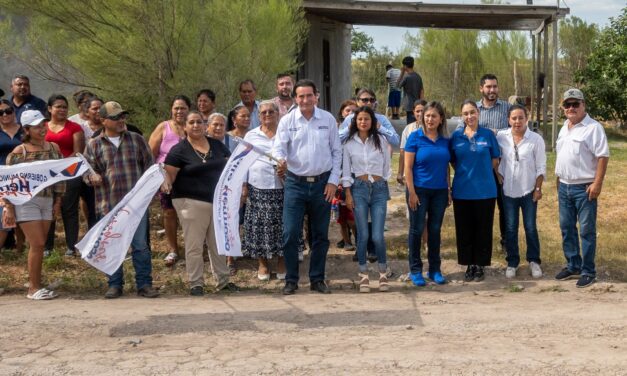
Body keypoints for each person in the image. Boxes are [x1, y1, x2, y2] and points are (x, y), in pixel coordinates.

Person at [272, 79, 342, 295]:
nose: (305, 100)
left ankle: (317, 279)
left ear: (316, 96)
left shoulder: (328, 119)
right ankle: (291, 280)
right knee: (291, 233)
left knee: (320, 235)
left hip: (322, 185)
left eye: (309, 95)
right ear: (295, 98)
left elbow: (337, 152)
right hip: (295, 184)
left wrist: (332, 181)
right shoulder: (287, 121)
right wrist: (279, 160)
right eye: (300, 96)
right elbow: (278, 149)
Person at [83, 101, 158, 299]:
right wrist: (92, 178)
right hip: (108, 204)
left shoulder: (136, 139)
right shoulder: (93, 144)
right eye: (116, 117)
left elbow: (150, 167)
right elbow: (86, 173)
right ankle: (115, 284)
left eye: (122, 116)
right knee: (111, 245)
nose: (121, 120)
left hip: (136, 206)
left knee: (140, 245)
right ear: (103, 120)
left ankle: (145, 284)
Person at [163, 111, 238, 295]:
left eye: (199, 122)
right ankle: (196, 283)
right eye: (192, 122)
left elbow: (231, 168)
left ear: (205, 126)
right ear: (185, 126)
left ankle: (223, 281)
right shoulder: (178, 150)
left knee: (217, 243)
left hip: (218, 203)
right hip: (190, 202)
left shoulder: (217, 146)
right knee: (194, 245)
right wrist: (165, 184)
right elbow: (168, 176)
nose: (196, 125)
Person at [3, 110, 64, 300]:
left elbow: (60, 177)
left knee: (39, 245)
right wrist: (9, 206)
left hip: (47, 201)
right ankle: (33, 289)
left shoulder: (53, 148)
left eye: (42, 125)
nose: (42, 129)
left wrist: (57, 201)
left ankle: (35, 283)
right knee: (37, 243)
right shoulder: (18, 153)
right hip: (26, 202)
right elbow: (7, 182)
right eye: (37, 126)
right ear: (27, 129)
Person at [554, 89, 609, 288]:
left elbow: (603, 156)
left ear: (583, 105)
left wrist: (597, 184)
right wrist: (559, 179)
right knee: (567, 228)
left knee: (586, 231)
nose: (571, 108)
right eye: (567, 105)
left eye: (575, 104)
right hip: (565, 187)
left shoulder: (593, 128)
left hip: (584, 188)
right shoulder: (564, 127)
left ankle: (588, 271)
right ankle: (573, 265)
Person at [449, 100, 500, 282]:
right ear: (461, 116)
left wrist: (482, 171)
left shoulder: (488, 135)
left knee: (483, 229)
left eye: (472, 112)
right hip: (462, 190)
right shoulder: (456, 137)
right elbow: (453, 160)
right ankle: (469, 263)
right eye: (465, 113)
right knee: (464, 229)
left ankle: (480, 264)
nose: (469, 116)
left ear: (478, 112)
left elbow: (495, 158)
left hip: (485, 190)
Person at [342, 106, 391, 293]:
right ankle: (363, 275)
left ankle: (383, 273)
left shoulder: (381, 140)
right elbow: (346, 171)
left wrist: (381, 181)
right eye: (360, 119)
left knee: (378, 236)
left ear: (372, 122)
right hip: (358, 189)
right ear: (355, 121)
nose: (363, 122)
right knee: (363, 235)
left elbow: (387, 167)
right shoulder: (348, 143)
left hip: (379, 189)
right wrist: (348, 193)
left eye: (367, 119)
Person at [404, 101, 451, 286]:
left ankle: (435, 270)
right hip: (419, 190)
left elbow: (446, 167)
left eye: (434, 116)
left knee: (435, 230)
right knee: (416, 230)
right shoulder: (415, 138)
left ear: (441, 119)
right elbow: (408, 168)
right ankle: (415, 270)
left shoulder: (445, 140)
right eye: (427, 115)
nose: (430, 119)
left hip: (439, 191)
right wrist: (412, 192)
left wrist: (448, 189)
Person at [242, 101, 290, 281]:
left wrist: (287, 168)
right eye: (263, 112)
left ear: (278, 114)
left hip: (283, 187)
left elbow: (294, 156)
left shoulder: (285, 134)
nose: (267, 115)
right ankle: (262, 263)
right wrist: (244, 185)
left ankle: (281, 262)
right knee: (258, 226)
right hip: (257, 187)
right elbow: (244, 161)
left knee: (283, 226)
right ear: (259, 116)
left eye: (271, 111)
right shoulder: (251, 135)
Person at [496, 105, 546, 279]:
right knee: (510, 228)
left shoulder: (536, 139)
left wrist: (538, 188)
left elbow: (541, 167)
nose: (517, 122)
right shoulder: (501, 136)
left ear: (527, 118)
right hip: (508, 191)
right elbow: (494, 157)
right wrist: (497, 172)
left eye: (520, 118)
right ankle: (512, 262)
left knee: (530, 227)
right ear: (509, 120)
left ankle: (534, 261)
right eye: (514, 118)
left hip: (529, 190)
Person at [148, 95, 189, 266]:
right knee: (169, 213)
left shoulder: (194, 126)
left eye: (183, 108)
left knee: (189, 215)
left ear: (189, 110)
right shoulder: (163, 127)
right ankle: (173, 250)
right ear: (171, 109)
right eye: (176, 108)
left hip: (190, 178)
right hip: (167, 179)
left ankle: (192, 249)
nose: (179, 111)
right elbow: (151, 153)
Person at [43, 94, 85, 257]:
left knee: (69, 209)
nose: (62, 109)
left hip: (70, 173)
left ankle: (71, 246)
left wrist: (60, 166)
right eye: (58, 106)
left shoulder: (74, 128)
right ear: (49, 109)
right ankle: (47, 247)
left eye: (64, 107)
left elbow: (78, 152)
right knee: (48, 209)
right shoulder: (43, 127)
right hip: (46, 175)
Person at [477, 74, 511, 255]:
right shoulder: (474, 109)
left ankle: (506, 242)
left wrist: (495, 132)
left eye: (495, 87)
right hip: (481, 168)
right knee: (484, 207)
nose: (492, 90)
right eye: (488, 87)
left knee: (504, 206)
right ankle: (483, 242)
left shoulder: (507, 108)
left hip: (503, 166)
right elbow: (462, 129)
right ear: (481, 88)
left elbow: (516, 127)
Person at [0, 99, 25, 250]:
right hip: (1, 178)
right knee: (4, 210)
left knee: (21, 210)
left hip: (23, 176)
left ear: (14, 112)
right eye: (0, 112)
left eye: (8, 111)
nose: (5, 114)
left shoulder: (24, 130)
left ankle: (20, 247)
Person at [397, 56, 424, 124]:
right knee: (418, 124)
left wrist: (402, 73)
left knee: (410, 125)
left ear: (405, 66)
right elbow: (422, 90)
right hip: (417, 104)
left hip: (409, 106)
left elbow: (397, 86)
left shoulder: (406, 77)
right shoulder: (418, 76)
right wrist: (422, 103)